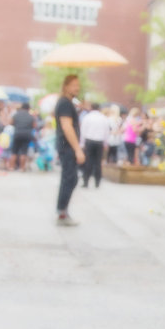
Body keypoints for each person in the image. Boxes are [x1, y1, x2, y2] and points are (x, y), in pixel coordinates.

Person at [53, 74, 84, 225]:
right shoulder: (65, 103)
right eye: (74, 85)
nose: (77, 87)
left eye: (78, 85)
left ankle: (62, 210)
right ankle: (62, 212)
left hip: (67, 146)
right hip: (67, 146)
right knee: (69, 178)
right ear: (66, 86)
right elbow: (67, 126)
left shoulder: (67, 103)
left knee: (71, 178)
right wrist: (77, 149)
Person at [79, 99, 109, 188]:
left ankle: (86, 181)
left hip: (89, 141)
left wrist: (82, 143)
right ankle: (97, 181)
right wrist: (105, 143)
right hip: (99, 141)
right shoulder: (103, 118)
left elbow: (83, 131)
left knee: (88, 161)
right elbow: (106, 132)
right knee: (98, 162)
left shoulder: (87, 117)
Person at [10, 100, 36, 172]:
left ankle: (11, 167)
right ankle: (22, 168)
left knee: (14, 151)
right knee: (23, 152)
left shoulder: (16, 114)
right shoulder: (30, 116)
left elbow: (10, 122)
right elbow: (34, 126)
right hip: (27, 135)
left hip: (17, 134)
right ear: (28, 108)